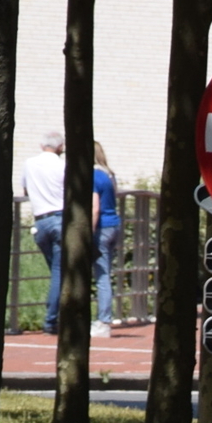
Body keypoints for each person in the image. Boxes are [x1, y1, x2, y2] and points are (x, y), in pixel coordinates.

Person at [17, 128, 66, 332]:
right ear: (60, 147)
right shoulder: (63, 165)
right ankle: (52, 319)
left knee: (55, 270)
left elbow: (26, 190)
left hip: (40, 221)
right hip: (60, 217)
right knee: (59, 271)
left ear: (41, 145)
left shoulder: (30, 164)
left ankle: (54, 314)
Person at [91, 141, 121, 337]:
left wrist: (89, 233)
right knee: (106, 274)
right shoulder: (109, 175)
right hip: (114, 225)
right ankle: (104, 319)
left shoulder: (93, 176)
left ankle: (103, 322)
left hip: (101, 227)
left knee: (101, 277)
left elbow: (95, 208)